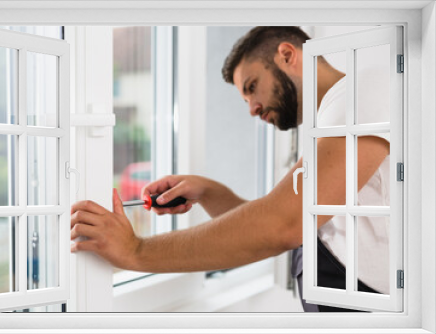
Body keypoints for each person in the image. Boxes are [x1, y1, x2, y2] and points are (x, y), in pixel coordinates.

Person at [70, 27, 390, 312]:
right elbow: (281, 225)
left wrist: (136, 250)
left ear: (287, 55)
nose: (252, 109)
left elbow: (283, 225)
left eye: (252, 86)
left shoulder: (361, 95)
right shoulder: (330, 124)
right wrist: (209, 191)